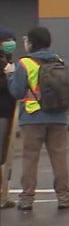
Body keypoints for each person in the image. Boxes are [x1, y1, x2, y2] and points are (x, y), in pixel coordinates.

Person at [4, 27, 69, 211]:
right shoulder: (59, 60)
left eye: (27, 40)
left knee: (30, 159)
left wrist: (10, 73)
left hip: (33, 118)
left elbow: (17, 91)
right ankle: (64, 198)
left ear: (32, 43)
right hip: (59, 117)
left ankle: (27, 199)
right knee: (59, 158)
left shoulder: (25, 64)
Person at [0, 28, 18, 209]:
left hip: (7, 111)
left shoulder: (7, 60)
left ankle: (2, 193)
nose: (11, 43)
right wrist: (9, 77)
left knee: (4, 154)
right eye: (7, 40)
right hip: (2, 112)